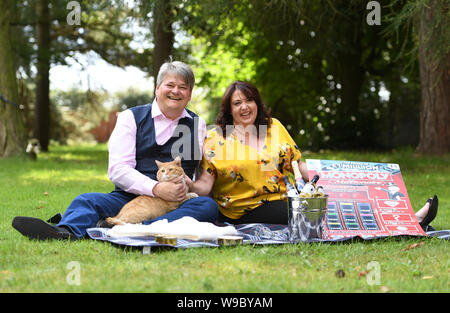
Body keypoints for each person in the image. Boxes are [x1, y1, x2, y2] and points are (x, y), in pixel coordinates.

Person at [185, 80, 438, 231]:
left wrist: (335, 176)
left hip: (290, 195)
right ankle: (408, 223)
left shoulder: (273, 126)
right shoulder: (216, 139)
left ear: (257, 102)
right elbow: (205, 185)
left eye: (249, 100)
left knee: (339, 197)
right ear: (229, 109)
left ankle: (404, 219)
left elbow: (298, 166)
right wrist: (189, 185)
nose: (244, 107)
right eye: (237, 103)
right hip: (246, 209)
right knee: (320, 212)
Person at [12, 61, 218, 240]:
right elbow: (118, 169)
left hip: (175, 203)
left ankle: (131, 229)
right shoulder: (131, 117)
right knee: (87, 200)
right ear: (157, 88)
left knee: (207, 207)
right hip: (129, 197)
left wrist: (186, 186)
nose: (176, 91)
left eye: (183, 87)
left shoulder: (198, 125)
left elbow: (196, 170)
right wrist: (155, 188)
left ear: (190, 93)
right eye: (170, 85)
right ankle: (65, 231)